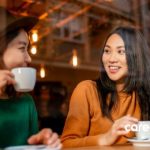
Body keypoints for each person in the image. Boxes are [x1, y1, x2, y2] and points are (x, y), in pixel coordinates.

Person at [61, 26, 150, 147]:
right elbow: (66, 144)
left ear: (136, 56)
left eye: (121, 51)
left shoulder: (144, 95)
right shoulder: (87, 90)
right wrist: (105, 138)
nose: (111, 59)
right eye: (107, 51)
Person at [0, 7, 62, 148]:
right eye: (22, 48)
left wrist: (39, 142)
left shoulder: (26, 101)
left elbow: (28, 144)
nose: (29, 57)